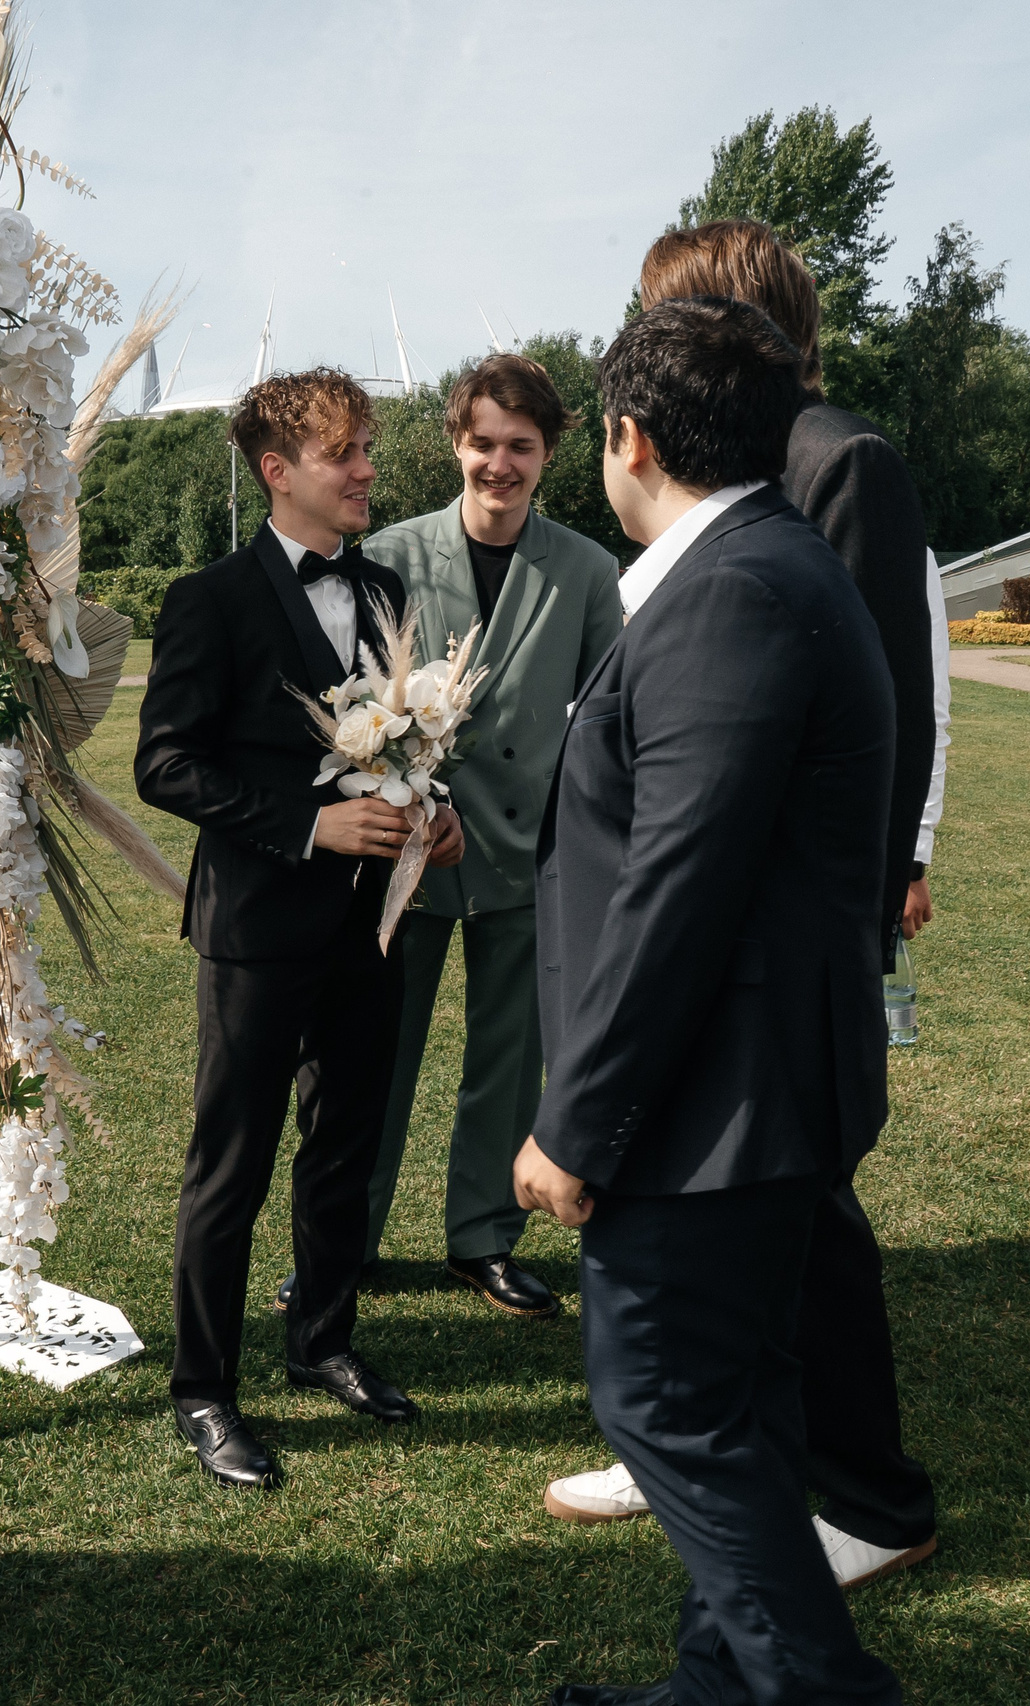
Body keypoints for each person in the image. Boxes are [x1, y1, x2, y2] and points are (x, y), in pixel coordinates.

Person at [539, 218, 946, 1597]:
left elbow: (877, 701)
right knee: (748, 1265)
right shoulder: (755, 492)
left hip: (770, 946)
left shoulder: (825, 471)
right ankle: (693, 1445)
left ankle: (854, 1489)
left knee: (789, 1233)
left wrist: (869, 900)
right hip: (731, 929)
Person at [132, 367, 462, 1490]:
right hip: (257, 928)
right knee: (232, 1163)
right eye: (345, 454)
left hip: (372, 925)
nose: (368, 469)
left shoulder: (382, 590)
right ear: (277, 471)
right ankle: (203, 1389)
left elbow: (404, 738)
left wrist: (434, 812)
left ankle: (322, 1338)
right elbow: (165, 764)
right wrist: (309, 827)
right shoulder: (209, 599)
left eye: (366, 449)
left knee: (345, 1145)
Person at [348, 353, 622, 1318]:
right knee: (376, 1057)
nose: (499, 464)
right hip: (405, 852)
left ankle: (484, 1239)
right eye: (483, 442)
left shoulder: (588, 569)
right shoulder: (389, 556)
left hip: (529, 853)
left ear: (549, 454)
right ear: (455, 444)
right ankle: (344, 1238)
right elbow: (356, 703)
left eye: (521, 446)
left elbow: (604, 720)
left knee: (509, 1062)